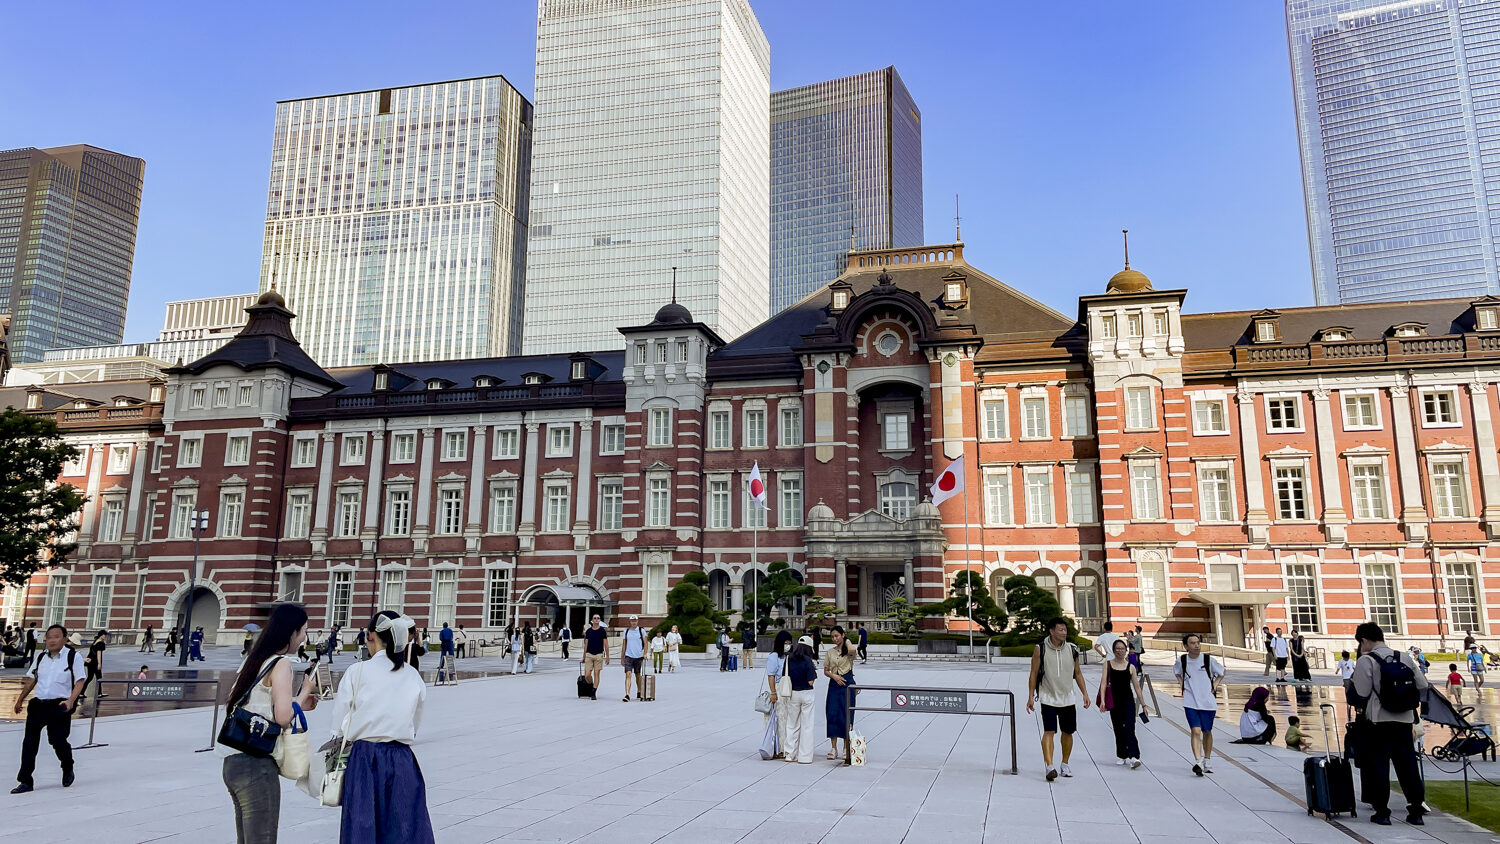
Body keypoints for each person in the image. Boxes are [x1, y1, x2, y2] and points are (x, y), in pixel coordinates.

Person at [328, 611, 434, 844]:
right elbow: (415, 722)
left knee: (362, 824)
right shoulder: (411, 675)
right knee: (405, 825)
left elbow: (338, 722)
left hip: (364, 756)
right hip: (401, 756)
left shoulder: (357, 671)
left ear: (372, 635)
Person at [218, 604, 319, 843]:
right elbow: (283, 718)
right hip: (256, 764)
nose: (305, 636)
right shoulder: (281, 663)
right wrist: (305, 692)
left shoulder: (254, 659)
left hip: (232, 761)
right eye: (304, 630)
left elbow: (261, 703)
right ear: (291, 632)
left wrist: (298, 703)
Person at [1351, 621, 1429, 826]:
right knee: (1408, 766)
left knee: (1379, 766)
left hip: (1378, 720)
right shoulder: (1403, 657)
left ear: (1365, 640)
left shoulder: (1366, 660)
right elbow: (1422, 684)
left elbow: (1362, 692)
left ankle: (1382, 812)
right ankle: (1415, 810)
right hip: (1404, 720)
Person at [11, 624, 86, 794]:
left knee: (57, 740)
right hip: (38, 704)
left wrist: (71, 701)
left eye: (56, 636)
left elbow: (80, 681)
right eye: (49, 637)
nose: (51, 640)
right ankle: (25, 781)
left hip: (60, 705)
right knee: (29, 743)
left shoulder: (73, 657)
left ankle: (67, 766)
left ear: (65, 639)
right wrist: (20, 699)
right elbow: (32, 679)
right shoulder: (40, 657)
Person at [1027, 617, 1090, 781]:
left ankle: (1065, 763)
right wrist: (1030, 696)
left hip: (1067, 697)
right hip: (1048, 696)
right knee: (1049, 731)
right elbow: (1033, 673)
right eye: (1060, 630)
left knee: (1068, 732)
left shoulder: (1072, 649)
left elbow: (1077, 673)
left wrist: (1085, 693)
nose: (1064, 633)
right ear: (1051, 631)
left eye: (1065, 630)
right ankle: (1049, 766)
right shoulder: (1040, 649)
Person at [1173, 633, 1226, 776]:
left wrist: (1215, 685)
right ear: (1186, 646)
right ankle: (1198, 761)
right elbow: (1177, 673)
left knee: (1207, 731)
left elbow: (1222, 672)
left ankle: (1207, 760)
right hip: (1190, 701)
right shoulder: (1182, 660)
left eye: (1197, 642)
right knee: (1195, 731)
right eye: (1192, 643)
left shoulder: (1208, 660)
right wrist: (1182, 685)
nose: (1196, 645)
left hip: (1208, 702)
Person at [1095, 637, 1143, 769]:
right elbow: (1104, 683)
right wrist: (1103, 700)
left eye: (1122, 649)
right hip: (1114, 701)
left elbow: (1137, 686)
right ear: (1113, 650)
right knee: (1118, 728)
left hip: (1128, 701)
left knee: (1129, 728)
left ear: (1126, 650)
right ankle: (1122, 754)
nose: (1120, 651)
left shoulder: (1131, 667)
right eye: (1117, 649)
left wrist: (1143, 704)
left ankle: (1134, 756)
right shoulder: (1108, 664)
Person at [822, 625, 857, 762]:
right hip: (834, 684)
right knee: (832, 714)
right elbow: (825, 670)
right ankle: (833, 747)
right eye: (832, 636)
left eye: (837, 636)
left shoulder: (848, 651)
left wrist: (846, 640)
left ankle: (845, 747)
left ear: (842, 635)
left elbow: (853, 650)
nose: (834, 638)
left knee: (846, 714)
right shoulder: (830, 652)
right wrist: (834, 677)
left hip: (847, 683)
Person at [784, 636, 819, 764]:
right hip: (806, 694)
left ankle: (789, 754)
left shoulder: (789, 659)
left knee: (792, 724)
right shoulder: (808, 660)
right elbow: (810, 681)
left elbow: (785, 676)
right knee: (807, 725)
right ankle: (805, 757)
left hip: (793, 693)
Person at [765, 630, 793, 759]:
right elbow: (771, 676)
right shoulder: (774, 656)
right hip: (778, 689)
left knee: (788, 720)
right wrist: (773, 693)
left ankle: (788, 746)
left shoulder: (789, 656)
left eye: (789, 642)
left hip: (789, 690)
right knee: (780, 719)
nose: (788, 645)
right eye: (786, 642)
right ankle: (779, 748)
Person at [619, 615, 648, 701]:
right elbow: (624, 645)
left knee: (637, 675)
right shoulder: (626, 631)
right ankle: (627, 694)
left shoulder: (641, 631)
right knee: (628, 674)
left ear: (637, 621)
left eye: (635, 620)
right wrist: (622, 657)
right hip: (628, 655)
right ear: (630, 621)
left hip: (638, 656)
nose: (634, 622)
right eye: (632, 621)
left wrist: (645, 653)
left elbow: (645, 643)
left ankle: (639, 691)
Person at [580, 615, 608, 700]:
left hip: (599, 654)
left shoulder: (602, 631)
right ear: (592, 620)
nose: (596, 619)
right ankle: (592, 685)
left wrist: (608, 656)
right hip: (589, 654)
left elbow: (606, 644)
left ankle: (594, 691)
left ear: (599, 620)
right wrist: (584, 656)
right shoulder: (588, 631)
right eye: (595, 618)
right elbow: (586, 644)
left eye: (598, 618)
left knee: (596, 673)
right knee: (587, 675)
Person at [81, 630, 108, 700]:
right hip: (95, 662)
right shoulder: (100, 643)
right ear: (102, 635)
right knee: (99, 678)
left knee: (89, 678)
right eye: (104, 635)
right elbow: (99, 654)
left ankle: (81, 693)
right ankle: (99, 693)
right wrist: (99, 664)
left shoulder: (95, 642)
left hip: (90, 662)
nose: (105, 636)